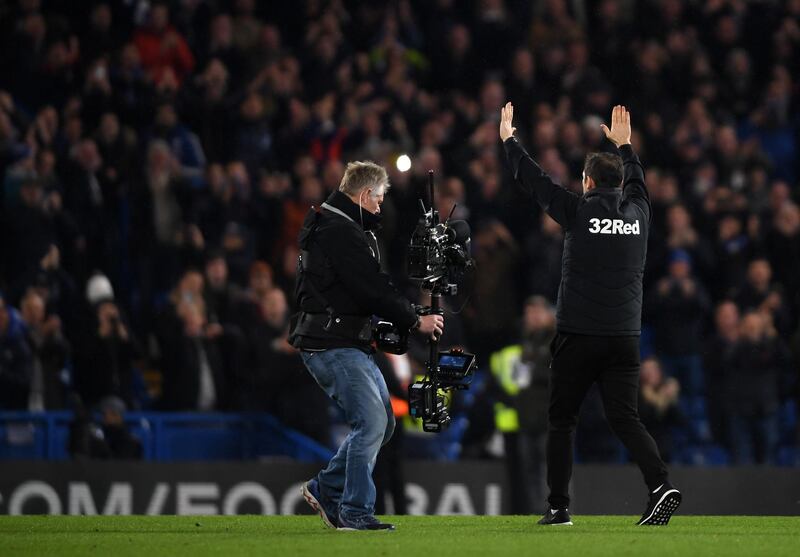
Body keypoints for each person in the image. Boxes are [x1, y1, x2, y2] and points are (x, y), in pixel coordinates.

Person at [500, 103, 680, 526]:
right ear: (620, 184)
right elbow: (638, 185)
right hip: (623, 338)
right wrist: (627, 147)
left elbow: (535, 181)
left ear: (586, 182)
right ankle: (659, 484)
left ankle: (559, 507)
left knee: (562, 421)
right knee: (625, 417)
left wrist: (509, 141)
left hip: (578, 336)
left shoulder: (577, 211)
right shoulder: (639, 216)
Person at [289, 161, 443, 531]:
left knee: (385, 423)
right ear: (363, 195)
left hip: (343, 339)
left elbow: (362, 287)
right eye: (378, 200)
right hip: (332, 342)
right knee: (372, 422)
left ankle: (325, 489)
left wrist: (402, 310)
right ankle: (354, 511)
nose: (379, 208)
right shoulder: (340, 231)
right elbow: (371, 288)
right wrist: (414, 319)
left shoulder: (331, 224)